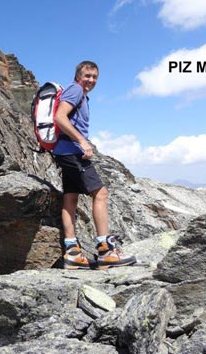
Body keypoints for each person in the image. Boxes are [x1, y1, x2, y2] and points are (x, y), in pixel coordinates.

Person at [53, 60, 136, 270]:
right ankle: (105, 251)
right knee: (101, 194)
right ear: (78, 76)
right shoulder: (75, 91)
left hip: (64, 151)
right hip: (73, 151)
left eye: (94, 77)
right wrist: (82, 141)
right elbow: (60, 117)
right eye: (87, 76)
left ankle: (72, 253)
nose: (91, 80)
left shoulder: (77, 92)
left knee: (70, 197)